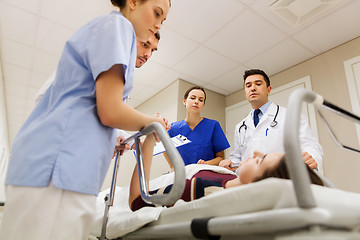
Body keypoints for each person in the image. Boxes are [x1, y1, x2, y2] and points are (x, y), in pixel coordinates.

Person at [0, 1, 171, 240]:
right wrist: (153, 122)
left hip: (58, 168)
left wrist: (112, 137)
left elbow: (91, 107)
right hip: (57, 170)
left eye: (162, 20)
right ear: (132, 2)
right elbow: (110, 111)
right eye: (156, 13)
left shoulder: (110, 32)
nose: (157, 24)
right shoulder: (119, 27)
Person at [128, 133, 324, 211]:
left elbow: (137, 201)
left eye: (259, 160)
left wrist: (149, 142)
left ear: (258, 187)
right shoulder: (229, 176)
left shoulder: (200, 190)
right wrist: (220, 166)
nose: (255, 152)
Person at [219, 69, 323, 173]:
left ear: (268, 89)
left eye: (258, 84)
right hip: (251, 183)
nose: (253, 88)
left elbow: (310, 145)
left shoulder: (289, 115)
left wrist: (311, 158)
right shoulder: (240, 127)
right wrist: (230, 163)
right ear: (245, 92)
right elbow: (237, 158)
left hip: (283, 176)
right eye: (248, 85)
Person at [34, 31, 161, 103]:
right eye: (145, 45)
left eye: (153, 51)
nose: (148, 55)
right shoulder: (91, 58)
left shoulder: (122, 77)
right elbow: (43, 97)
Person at [164, 86, 230, 168]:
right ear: (184, 101)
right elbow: (164, 148)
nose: (196, 101)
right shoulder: (173, 128)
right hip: (183, 176)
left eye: (201, 100)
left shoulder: (213, 126)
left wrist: (205, 164)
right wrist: (172, 167)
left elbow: (220, 158)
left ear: (203, 105)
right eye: (193, 98)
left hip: (206, 175)